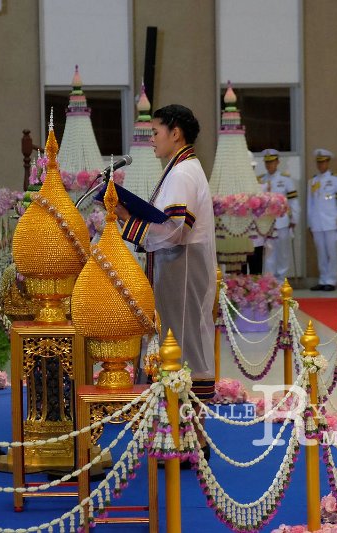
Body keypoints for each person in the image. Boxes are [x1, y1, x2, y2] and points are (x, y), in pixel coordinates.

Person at [115, 104, 216, 403]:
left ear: (175, 133)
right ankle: (175, 417)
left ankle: (185, 420)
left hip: (182, 266)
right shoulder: (180, 167)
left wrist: (127, 218)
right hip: (177, 265)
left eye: (155, 132)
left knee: (181, 343)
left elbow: (176, 230)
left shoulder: (182, 172)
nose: (151, 139)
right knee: (176, 340)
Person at [307, 148, 337, 291]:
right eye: (319, 162)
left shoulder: (336, 179)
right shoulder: (312, 181)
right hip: (317, 222)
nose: (321, 165)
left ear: (328, 162)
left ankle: (331, 280)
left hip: (331, 222)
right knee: (321, 252)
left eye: (323, 162)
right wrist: (309, 223)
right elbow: (310, 204)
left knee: (332, 252)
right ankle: (323, 279)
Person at [259, 149, 300, 282]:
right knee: (269, 253)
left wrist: (294, 218)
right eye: (267, 162)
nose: (269, 165)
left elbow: (293, 201)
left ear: (277, 162)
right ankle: (270, 281)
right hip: (266, 223)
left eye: (272, 162)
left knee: (283, 252)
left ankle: (281, 280)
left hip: (282, 221)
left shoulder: (286, 179)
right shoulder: (261, 180)